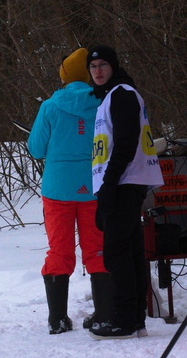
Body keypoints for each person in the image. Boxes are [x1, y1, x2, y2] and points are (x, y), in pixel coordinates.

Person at [26, 47, 107, 333]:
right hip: (94, 189)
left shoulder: (50, 105)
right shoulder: (102, 102)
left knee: (59, 250)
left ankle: (57, 319)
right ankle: (103, 314)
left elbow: (35, 149)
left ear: (63, 75)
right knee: (97, 249)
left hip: (58, 189)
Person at [84, 43, 163, 337]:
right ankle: (135, 318)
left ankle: (123, 319)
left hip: (124, 181)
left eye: (103, 65)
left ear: (113, 66)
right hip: (125, 180)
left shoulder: (122, 95)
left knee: (117, 252)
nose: (98, 71)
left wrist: (108, 184)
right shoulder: (113, 96)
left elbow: (127, 143)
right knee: (129, 250)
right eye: (93, 67)